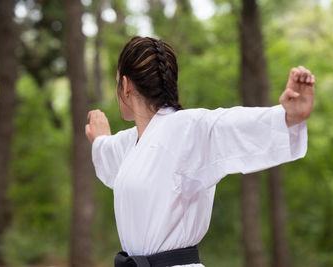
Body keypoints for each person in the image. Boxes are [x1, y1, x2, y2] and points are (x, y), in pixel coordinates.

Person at [85, 36, 315, 267]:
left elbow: (230, 124)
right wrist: (100, 140)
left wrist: (288, 117)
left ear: (126, 85)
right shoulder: (132, 143)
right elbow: (110, 153)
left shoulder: (186, 128)